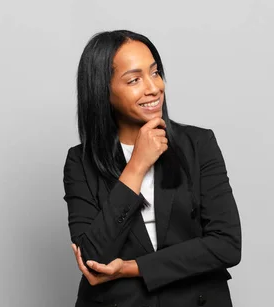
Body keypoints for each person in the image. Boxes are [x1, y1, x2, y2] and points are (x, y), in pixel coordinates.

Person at [63, 30, 242, 307]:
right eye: (134, 80)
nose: (154, 87)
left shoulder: (198, 144)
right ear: (103, 91)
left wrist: (132, 267)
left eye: (155, 73)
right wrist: (137, 165)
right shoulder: (80, 163)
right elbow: (93, 258)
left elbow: (226, 244)